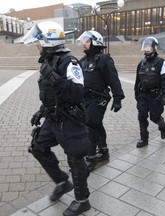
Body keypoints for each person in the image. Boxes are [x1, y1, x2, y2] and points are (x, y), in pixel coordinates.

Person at [23, 21, 90, 216]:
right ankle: (62, 182)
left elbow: (77, 93)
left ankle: (82, 200)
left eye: (39, 41)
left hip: (69, 120)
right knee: (37, 147)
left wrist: (53, 77)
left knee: (75, 158)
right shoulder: (48, 61)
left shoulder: (70, 62)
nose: (37, 45)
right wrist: (41, 111)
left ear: (48, 42)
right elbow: (52, 95)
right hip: (52, 118)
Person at [76, 30, 125, 171]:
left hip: (99, 98)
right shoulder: (83, 61)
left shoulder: (104, 59)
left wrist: (118, 98)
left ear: (95, 42)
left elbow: (113, 79)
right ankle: (103, 151)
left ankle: (91, 157)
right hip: (85, 99)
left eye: (87, 41)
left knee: (90, 125)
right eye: (83, 41)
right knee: (95, 124)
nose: (84, 44)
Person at [134, 36, 165, 148]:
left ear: (154, 48)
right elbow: (137, 81)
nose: (147, 49)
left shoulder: (161, 62)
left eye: (149, 46)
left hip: (155, 95)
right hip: (143, 94)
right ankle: (144, 138)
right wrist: (137, 94)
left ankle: (162, 126)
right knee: (141, 115)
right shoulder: (141, 63)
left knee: (155, 117)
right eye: (145, 46)